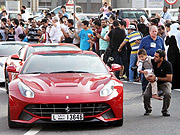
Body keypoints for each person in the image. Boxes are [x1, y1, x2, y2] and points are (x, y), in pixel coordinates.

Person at [143, 49, 173, 116]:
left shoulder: (168, 64)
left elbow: (169, 78)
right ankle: (148, 109)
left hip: (164, 82)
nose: (155, 58)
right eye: (154, 56)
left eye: (156, 57)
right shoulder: (152, 62)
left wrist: (156, 78)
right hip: (153, 82)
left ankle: (164, 110)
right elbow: (144, 62)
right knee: (146, 95)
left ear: (161, 58)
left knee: (168, 94)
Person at [139, 25, 165, 92]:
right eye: (153, 31)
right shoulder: (145, 40)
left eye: (156, 31)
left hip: (157, 61)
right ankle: (144, 90)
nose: (154, 33)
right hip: (147, 61)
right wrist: (139, 60)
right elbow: (140, 51)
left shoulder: (160, 39)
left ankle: (156, 90)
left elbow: (163, 51)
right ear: (150, 32)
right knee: (146, 75)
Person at [165, 23, 180, 89]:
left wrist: (167, 36)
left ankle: (173, 84)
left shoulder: (173, 35)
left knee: (173, 68)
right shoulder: (178, 34)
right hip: (177, 53)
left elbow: (167, 42)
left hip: (173, 54)